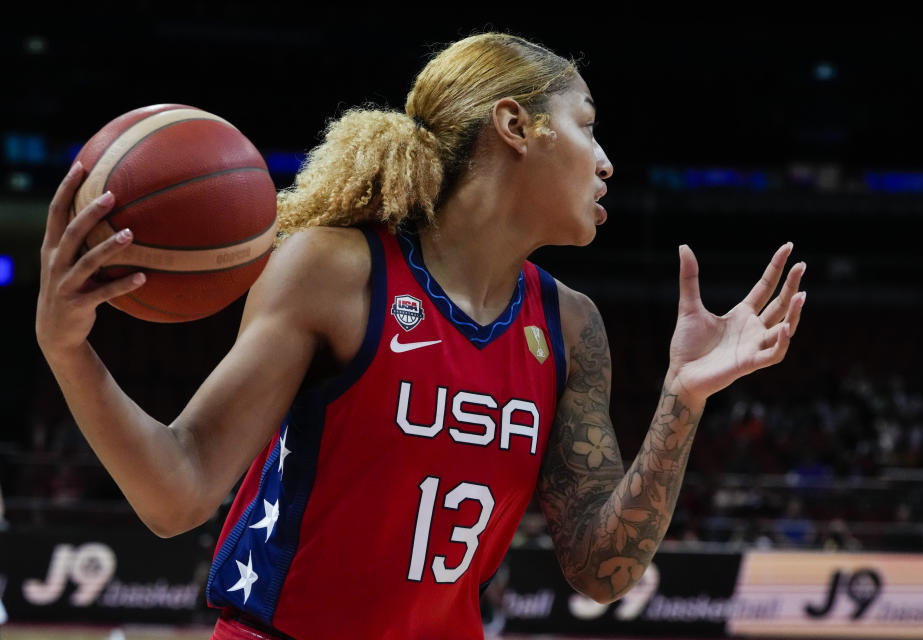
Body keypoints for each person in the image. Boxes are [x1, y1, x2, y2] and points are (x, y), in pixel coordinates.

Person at [35, 33, 806, 640]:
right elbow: (179, 490)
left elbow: (601, 570)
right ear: (515, 124)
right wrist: (69, 350)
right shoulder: (336, 269)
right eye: (587, 126)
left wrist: (682, 401)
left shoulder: (571, 324)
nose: (606, 161)